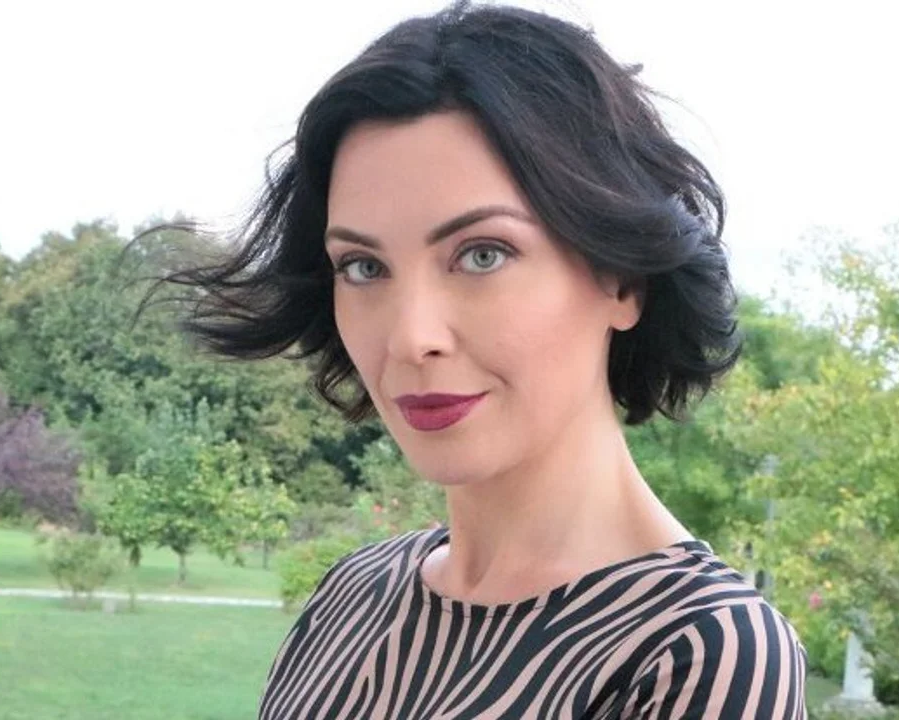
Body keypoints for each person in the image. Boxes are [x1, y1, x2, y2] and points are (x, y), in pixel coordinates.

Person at [164, 2, 806, 717]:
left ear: (622, 279)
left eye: (482, 255)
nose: (411, 338)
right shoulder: (351, 595)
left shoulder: (701, 651)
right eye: (364, 267)